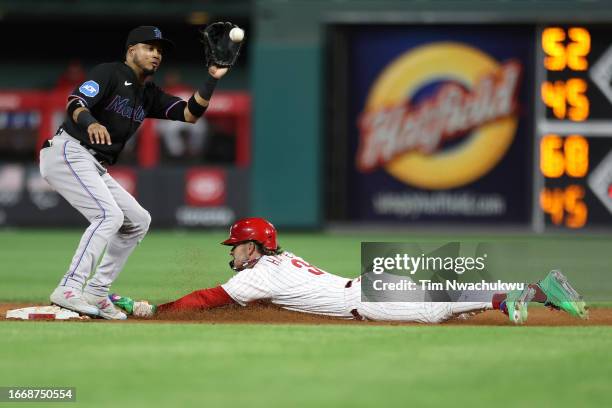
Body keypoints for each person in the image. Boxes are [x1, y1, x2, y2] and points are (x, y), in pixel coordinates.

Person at [39, 26, 230, 319]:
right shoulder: (110, 73)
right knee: (108, 215)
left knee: (138, 220)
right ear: (131, 51)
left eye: (159, 51)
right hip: (68, 150)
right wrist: (90, 122)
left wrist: (212, 79)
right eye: (149, 47)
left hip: (93, 163)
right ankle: (69, 288)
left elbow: (190, 113)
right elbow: (75, 102)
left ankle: (97, 291)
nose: (156, 54)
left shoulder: (148, 94)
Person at [111, 217, 589, 324]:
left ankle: (513, 299)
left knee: (437, 309)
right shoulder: (281, 258)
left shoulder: (256, 274)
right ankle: (532, 291)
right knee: (447, 293)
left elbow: (207, 299)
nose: (232, 253)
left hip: (365, 298)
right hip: (365, 283)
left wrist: (156, 309)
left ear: (255, 247)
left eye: (237, 246)